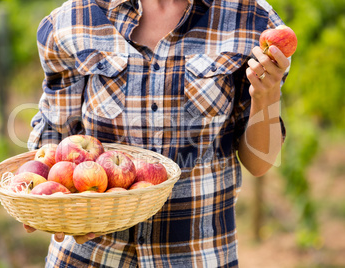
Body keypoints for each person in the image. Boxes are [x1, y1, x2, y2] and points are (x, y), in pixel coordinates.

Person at [26, 0, 291, 266]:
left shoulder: (251, 19)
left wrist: (267, 95)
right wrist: (48, 207)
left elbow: (259, 162)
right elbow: (54, 145)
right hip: (91, 254)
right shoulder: (75, 19)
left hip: (196, 254)